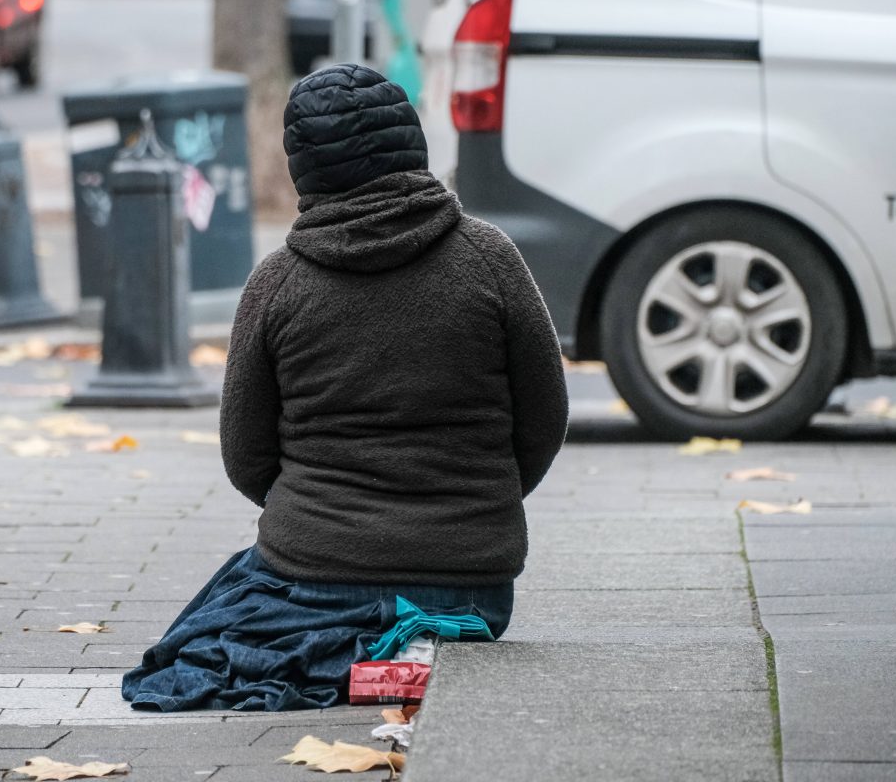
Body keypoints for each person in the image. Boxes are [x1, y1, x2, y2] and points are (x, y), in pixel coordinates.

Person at [121, 64, 568, 712]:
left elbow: (244, 457)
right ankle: (415, 638)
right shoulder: (491, 257)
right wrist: (474, 500)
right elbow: (544, 419)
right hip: (474, 585)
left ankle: (359, 649)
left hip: (313, 579)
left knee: (188, 652)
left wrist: (322, 521)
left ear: (305, 168)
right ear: (411, 143)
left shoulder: (277, 283)